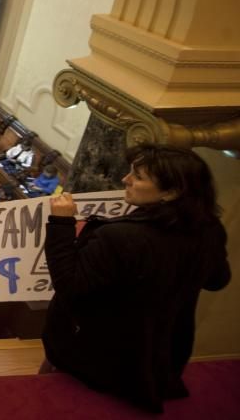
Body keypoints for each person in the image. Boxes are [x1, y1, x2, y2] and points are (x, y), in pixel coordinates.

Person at [42, 146, 230, 412]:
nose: (125, 179)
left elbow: (69, 286)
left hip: (98, 351)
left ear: (171, 192)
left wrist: (61, 224)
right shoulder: (209, 229)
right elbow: (217, 280)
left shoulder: (119, 237)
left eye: (138, 176)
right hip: (163, 348)